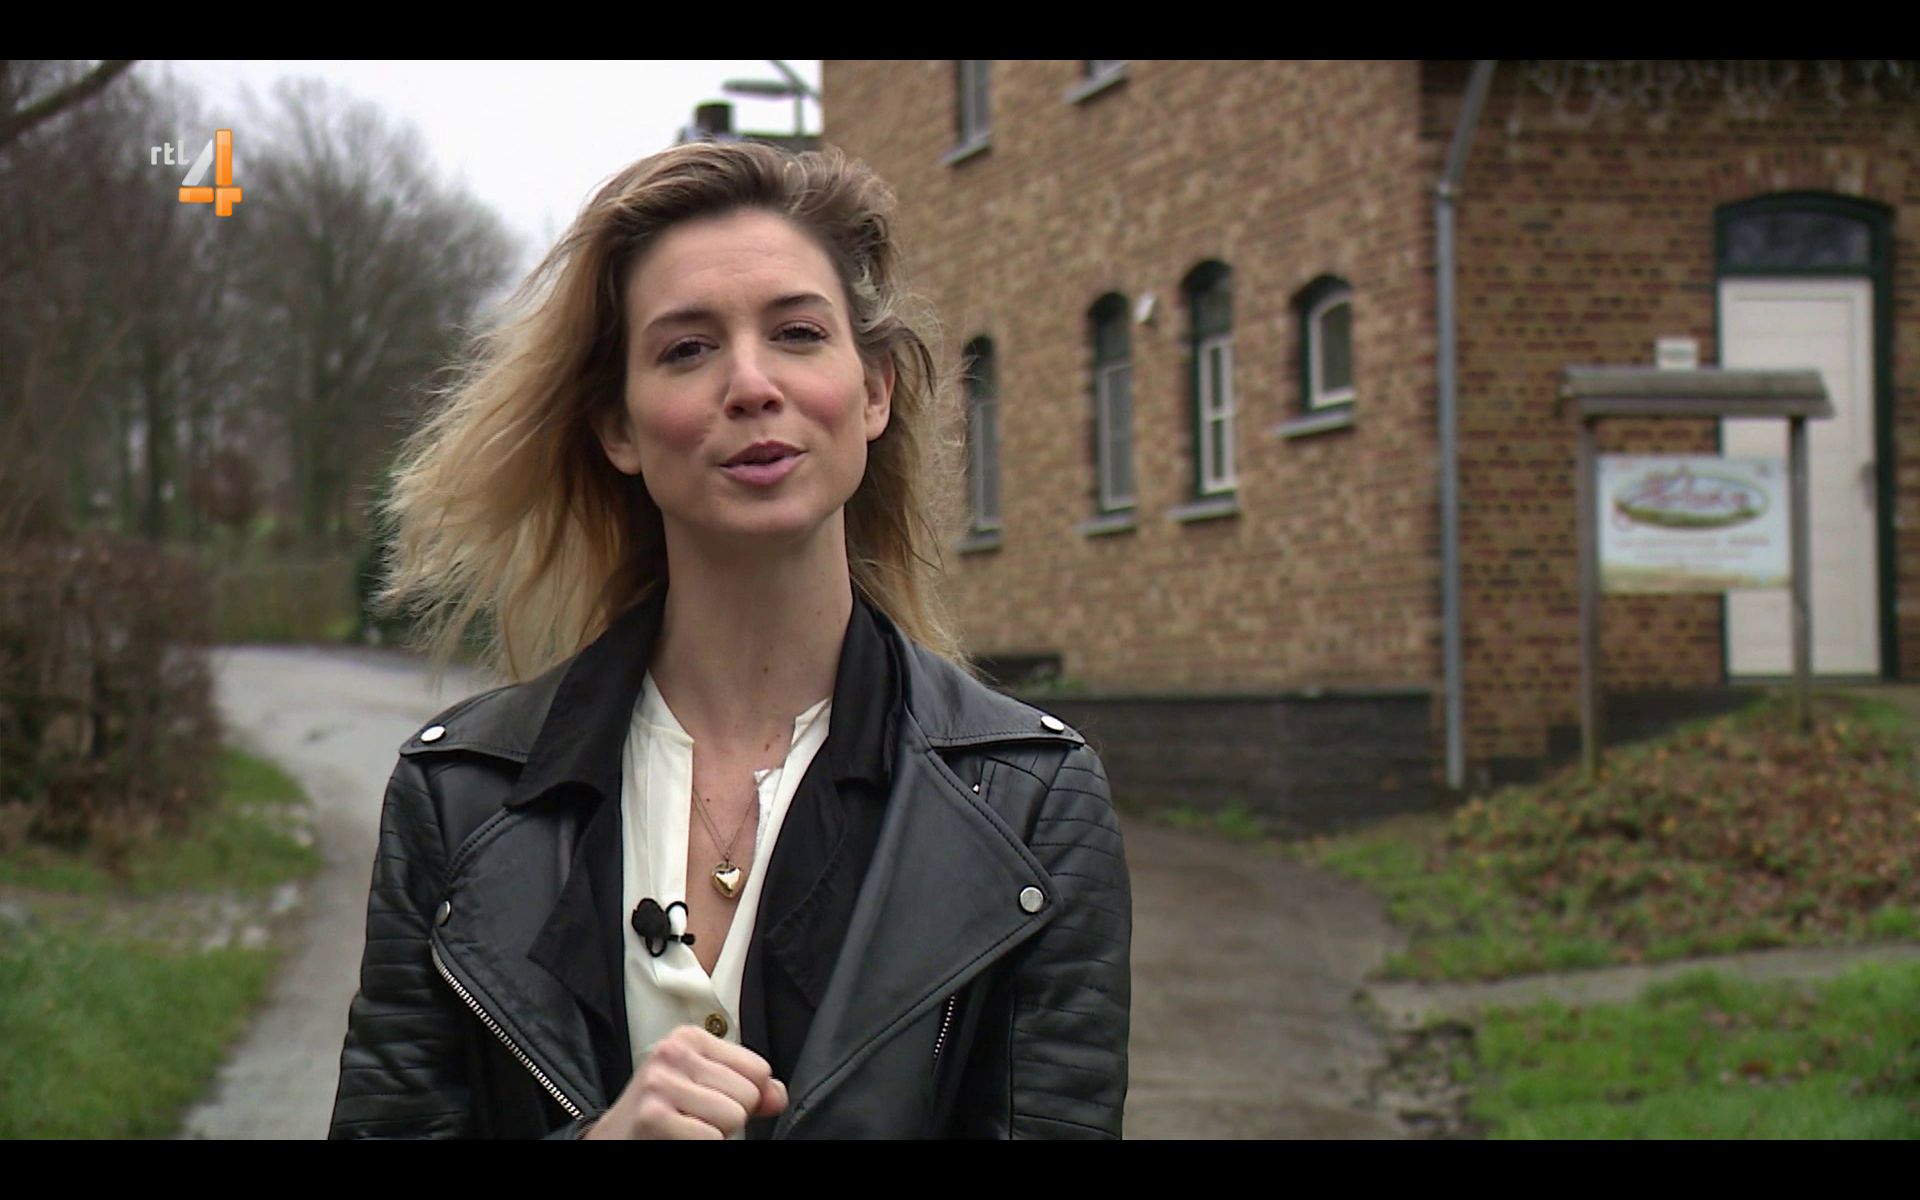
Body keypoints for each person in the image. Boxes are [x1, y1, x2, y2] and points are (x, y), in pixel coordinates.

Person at [327, 140, 1131, 1140]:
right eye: (687, 349)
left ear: (874, 391)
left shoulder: (1032, 802)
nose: (751, 384)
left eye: (797, 333)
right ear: (619, 428)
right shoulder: (458, 797)